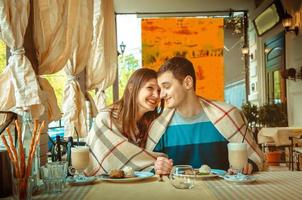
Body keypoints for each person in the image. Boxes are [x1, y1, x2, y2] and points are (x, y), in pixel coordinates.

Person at [145, 56, 265, 175]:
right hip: (177, 192)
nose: (161, 96)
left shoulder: (227, 116)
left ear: (187, 83)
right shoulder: (159, 126)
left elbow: (256, 158)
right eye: (161, 90)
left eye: (167, 87)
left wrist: (247, 165)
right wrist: (158, 167)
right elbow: (148, 166)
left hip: (223, 192)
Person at [85, 68, 164, 176]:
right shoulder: (105, 118)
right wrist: (157, 163)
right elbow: (109, 164)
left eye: (159, 91)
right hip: (102, 185)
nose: (157, 95)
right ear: (131, 88)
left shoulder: (153, 124)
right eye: (150, 88)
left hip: (140, 185)